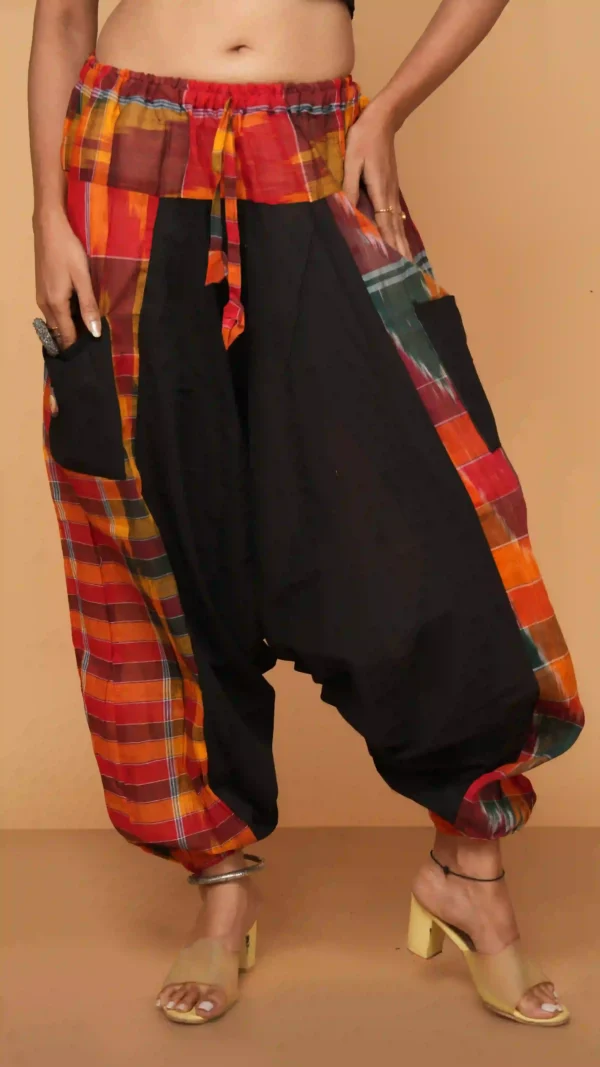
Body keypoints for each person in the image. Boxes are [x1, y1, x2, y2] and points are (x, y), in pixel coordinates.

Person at [29, 0, 583, 1029]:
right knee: (163, 520)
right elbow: (63, 19)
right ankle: (220, 879)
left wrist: (389, 112)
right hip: (122, 158)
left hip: (314, 147)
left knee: (417, 511)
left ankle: (468, 868)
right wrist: (45, 217)